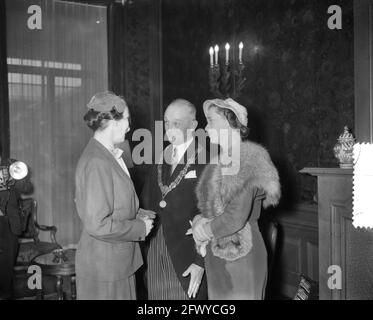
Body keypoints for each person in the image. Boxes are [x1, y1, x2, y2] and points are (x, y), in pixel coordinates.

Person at [192, 98, 281, 300]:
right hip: (220, 256)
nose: (206, 127)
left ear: (230, 122)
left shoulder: (245, 159)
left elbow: (235, 217)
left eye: (211, 120)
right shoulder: (223, 160)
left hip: (241, 258)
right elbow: (215, 209)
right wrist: (200, 220)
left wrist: (203, 231)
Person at [74, 91, 155, 300]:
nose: (129, 126)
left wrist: (139, 214)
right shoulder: (97, 161)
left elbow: (113, 204)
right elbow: (97, 224)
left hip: (115, 265)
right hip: (105, 269)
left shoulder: (108, 154)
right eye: (127, 119)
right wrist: (140, 228)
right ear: (112, 121)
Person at [141, 99, 208, 300]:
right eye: (167, 122)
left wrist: (201, 262)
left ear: (193, 126)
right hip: (155, 247)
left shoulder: (207, 161)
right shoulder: (160, 158)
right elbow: (146, 203)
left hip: (186, 252)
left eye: (176, 123)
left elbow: (213, 216)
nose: (170, 129)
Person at [0, 145, 33, 299]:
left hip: (9, 224)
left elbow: (27, 188)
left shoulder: (12, 164)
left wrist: (16, 179)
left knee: (6, 268)